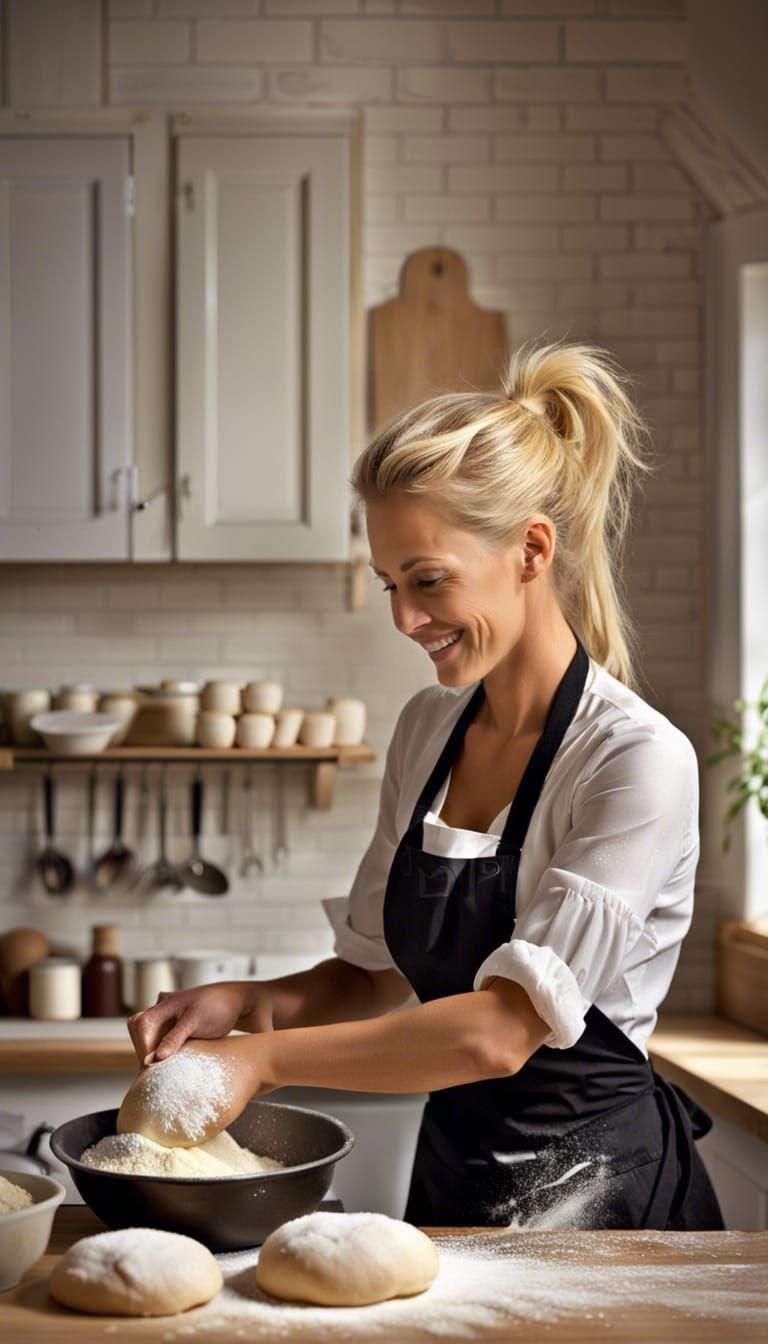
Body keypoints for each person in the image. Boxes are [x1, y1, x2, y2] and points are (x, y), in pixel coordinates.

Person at [128, 340, 723, 1231]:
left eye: (429, 581)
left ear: (531, 550)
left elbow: (496, 1032)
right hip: (454, 1188)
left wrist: (262, 1061)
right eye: (390, 584)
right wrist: (242, 1003)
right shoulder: (427, 730)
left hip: (603, 1200)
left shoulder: (634, 759)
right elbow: (372, 978)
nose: (406, 618)